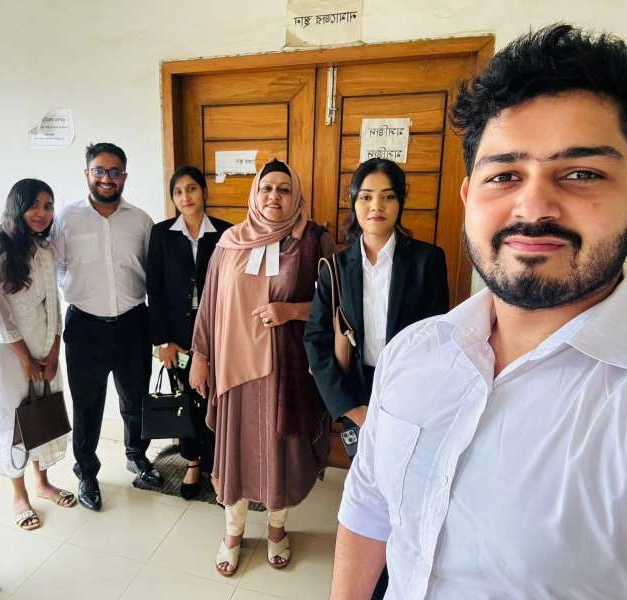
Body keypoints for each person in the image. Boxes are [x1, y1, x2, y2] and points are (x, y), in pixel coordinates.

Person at [331, 24, 627, 599]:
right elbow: (370, 502)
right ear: (469, 197)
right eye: (504, 175)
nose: (533, 207)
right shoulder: (416, 352)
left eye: (581, 173)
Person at [305, 158, 448, 599]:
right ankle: (366, 580)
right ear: (354, 203)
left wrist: (412, 406)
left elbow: (438, 340)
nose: (376, 206)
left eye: (387, 196)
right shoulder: (335, 266)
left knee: (405, 488)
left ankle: (396, 579)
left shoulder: (427, 260)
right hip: (357, 391)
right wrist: (352, 408)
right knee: (368, 492)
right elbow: (315, 340)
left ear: (400, 203)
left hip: (408, 394)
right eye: (366, 196)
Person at [189, 158, 337, 576]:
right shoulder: (229, 243)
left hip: (285, 374)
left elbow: (337, 305)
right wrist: (200, 356)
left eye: (284, 189)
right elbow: (209, 304)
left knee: (280, 458)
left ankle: (276, 529)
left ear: (296, 195)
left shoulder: (314, 241)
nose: (275, 196)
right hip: (233, 373)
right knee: (235, 456)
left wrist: (291, 310)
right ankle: (233, 533)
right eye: (267, 188)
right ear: (255, 193)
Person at [52, 142, 159, 513]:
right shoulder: (66, 219)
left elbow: (152, 273)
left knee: (136, 399)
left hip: (133, 322)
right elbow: (56, 268)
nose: (107, 178)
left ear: (124, 176)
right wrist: (81, 293)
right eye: (99, 170)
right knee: (87, 405)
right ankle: (86, 472)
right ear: (87, 173)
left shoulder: (141, 221)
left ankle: (137, 455)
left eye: (115, 172)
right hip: (85, 326)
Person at [0, 178, 76, 532]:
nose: (42, 213)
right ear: (16, 206)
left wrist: (53, 350)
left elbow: (55, 303)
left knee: (42, 409)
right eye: (34, 205)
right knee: (13, 416)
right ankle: (19, 494)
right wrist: (25, 358)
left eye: (48, 206)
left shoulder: (44, 248)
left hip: (43, 343)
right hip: (7, 352)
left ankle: (43, 482)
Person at [146, 165, 231, 498]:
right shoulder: (161, 233)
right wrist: (162, 341)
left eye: (192, 189)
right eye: (178, 192)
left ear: (204, 192)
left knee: (216, 399)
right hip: (177, 337)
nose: (186, 197)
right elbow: (154, 290)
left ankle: (218, 466)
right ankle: (193, 462)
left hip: (217, 334)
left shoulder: (225, 232)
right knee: (185, 399)